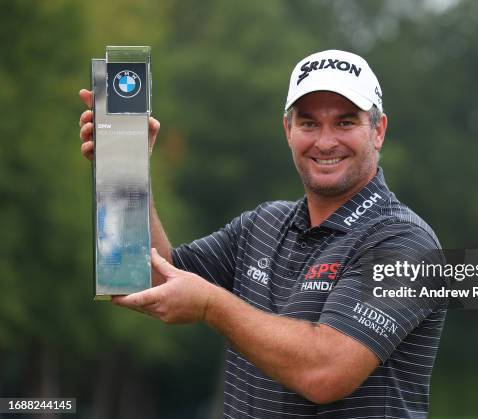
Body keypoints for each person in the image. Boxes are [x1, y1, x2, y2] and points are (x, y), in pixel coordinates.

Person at [78, 49, 446, 418]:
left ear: (378, 131)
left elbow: (325, 373)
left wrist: (212, 305)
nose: (325, 141)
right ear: (288, 130)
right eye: (308, 123)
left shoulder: (405, 242)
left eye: (346, 123)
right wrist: (125, 174)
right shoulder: (262, 224)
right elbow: (149, 278)